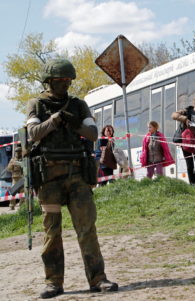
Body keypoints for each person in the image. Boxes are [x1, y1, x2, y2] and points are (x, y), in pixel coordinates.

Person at [25, 58, 118, 298]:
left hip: (77, 175)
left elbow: (94, 134)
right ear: (49, 81)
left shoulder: (79, 105)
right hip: (49, 178)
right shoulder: (37, 105)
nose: (65, 85)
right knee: (52, 232)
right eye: (60, 81)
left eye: (68, 80)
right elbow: (34, 134)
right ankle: (53, 283)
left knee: (87, 228)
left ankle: (98, 279)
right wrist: (55, 119)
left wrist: (74, 122)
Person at [172, 96, 195, 185]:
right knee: (189, 164)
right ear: (194, 103)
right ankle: (192, 184)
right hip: (186, 141)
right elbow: (174, 115)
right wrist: (185, 119)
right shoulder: (187, 111)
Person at [6, 146, 23, 210]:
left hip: (22, 178)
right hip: (15, 178)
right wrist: (12, 164)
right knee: (13, 192)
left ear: (21, 152)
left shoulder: (24, 158)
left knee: (23, 192)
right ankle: (12, 206)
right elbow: (8, 169)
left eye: (19, 152)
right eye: (16, 152)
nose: (17, 153)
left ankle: (22, 206)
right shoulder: (13, 159)